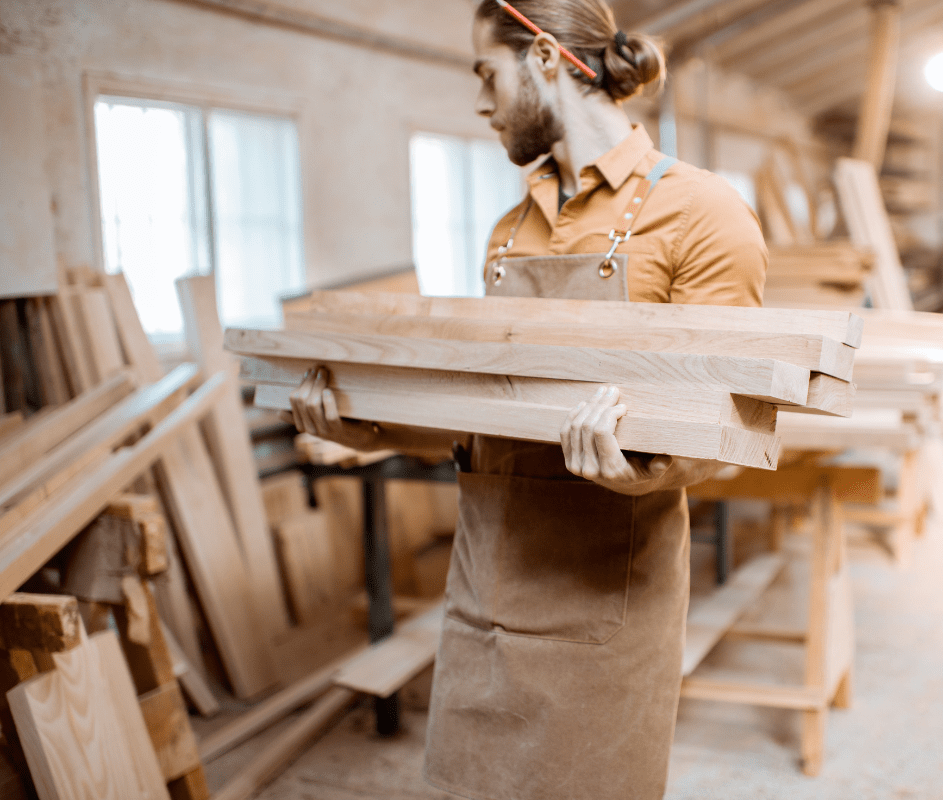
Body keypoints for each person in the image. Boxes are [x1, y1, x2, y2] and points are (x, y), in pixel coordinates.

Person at [285, 1, 768, 798]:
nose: (480, 101)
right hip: (485, 587)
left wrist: (626, 465)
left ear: (544, 58)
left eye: (487, 73)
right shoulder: (509, 232)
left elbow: (718, 430)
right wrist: (362, 427)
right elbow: (489, 418)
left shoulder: (703, 214)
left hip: (604, 600)